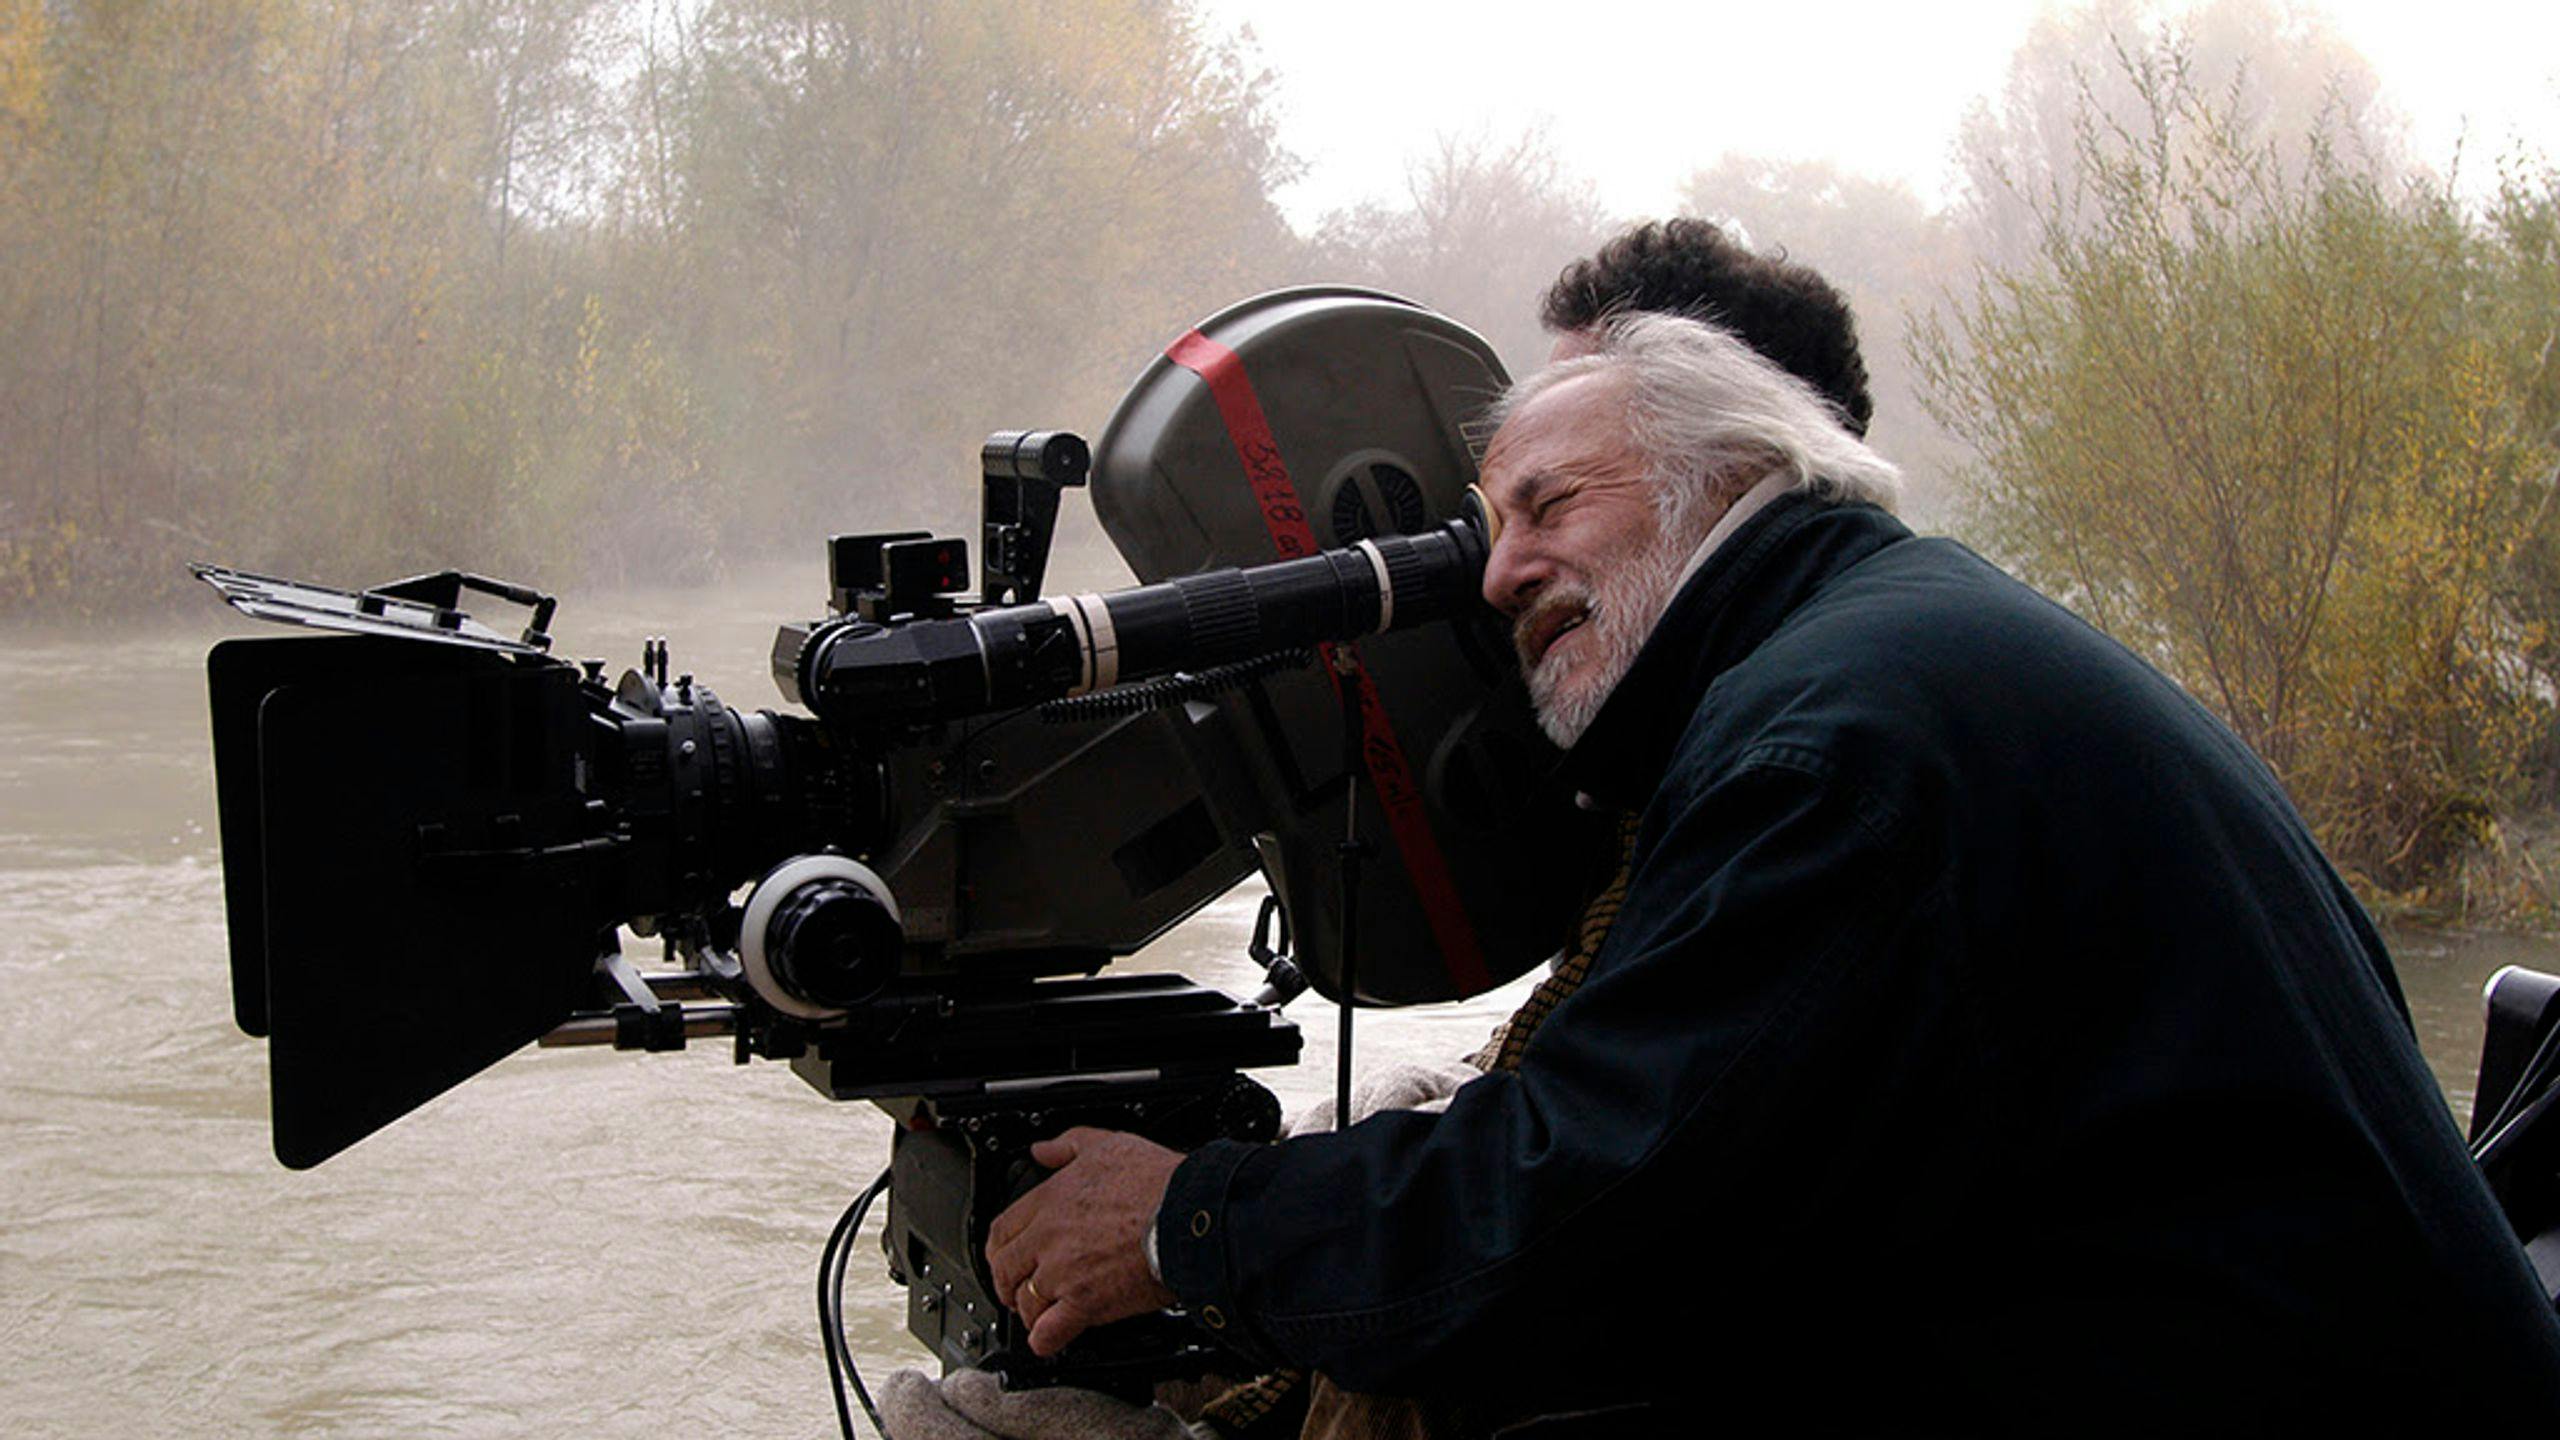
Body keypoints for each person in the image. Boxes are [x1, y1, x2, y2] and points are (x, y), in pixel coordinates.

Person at [977, 307, 2560, 1435]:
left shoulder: (1828, 743)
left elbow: (1573, 1216)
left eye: (1547, 506)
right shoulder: (1888, 643)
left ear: (1730, 478)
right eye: (1483, 526)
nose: (1498, 572)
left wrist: (1194, 1224)